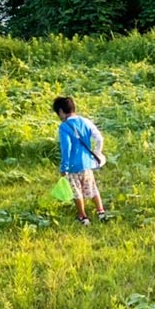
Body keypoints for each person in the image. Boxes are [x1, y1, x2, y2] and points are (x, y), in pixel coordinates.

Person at [53, 96, 109, 225]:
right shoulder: (85, 121)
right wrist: (97, 153)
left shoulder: (64, 127)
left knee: (76, 192)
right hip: (87, 164)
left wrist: (64, 167)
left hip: (73, 166)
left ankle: (83, 217)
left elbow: (66, 148)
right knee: (92, 188)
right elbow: (99, 138)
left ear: (61, 111)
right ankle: (101, 212)